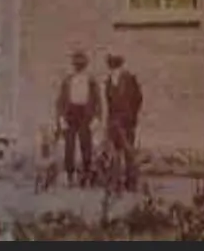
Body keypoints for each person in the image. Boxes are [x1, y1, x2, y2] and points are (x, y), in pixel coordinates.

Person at [55, 48, 101, 185]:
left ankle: (86, 174)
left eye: (81, 64)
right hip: (71, 113)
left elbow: (97, 100)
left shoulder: (91, 80)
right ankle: (70, 175)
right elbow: (61, 100)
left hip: (85, 114)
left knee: (86, 144)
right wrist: (61, 118)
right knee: (69, 145)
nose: (79, 66)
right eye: (76, 64)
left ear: (85, 65)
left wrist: (97, 118)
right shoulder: (68, 80)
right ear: (73, 65)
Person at [103, 52, 143, 192]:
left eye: (114, 64)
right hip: (113, 121)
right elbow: (109, 103)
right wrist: (108, 121)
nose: (112, 67)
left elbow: (138, 98)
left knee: (129, 152)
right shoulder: (108, 81)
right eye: (111, 64)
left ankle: (131, 183)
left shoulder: (130, 78)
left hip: (127, 121)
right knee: (114, 153)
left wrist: (132, 116)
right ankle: (115, 183)